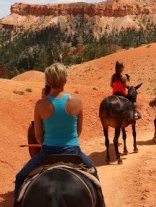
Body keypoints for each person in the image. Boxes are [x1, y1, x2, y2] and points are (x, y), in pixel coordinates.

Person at [14, 63, 98, 205]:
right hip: (73, 151)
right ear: (65, 80)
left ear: (47, 82)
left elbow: (38, 135)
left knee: (20, 178)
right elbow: (79, 131)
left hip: (47, 153)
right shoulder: (76, 101)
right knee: (95, 178)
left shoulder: (40, 105)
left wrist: (46, 145)